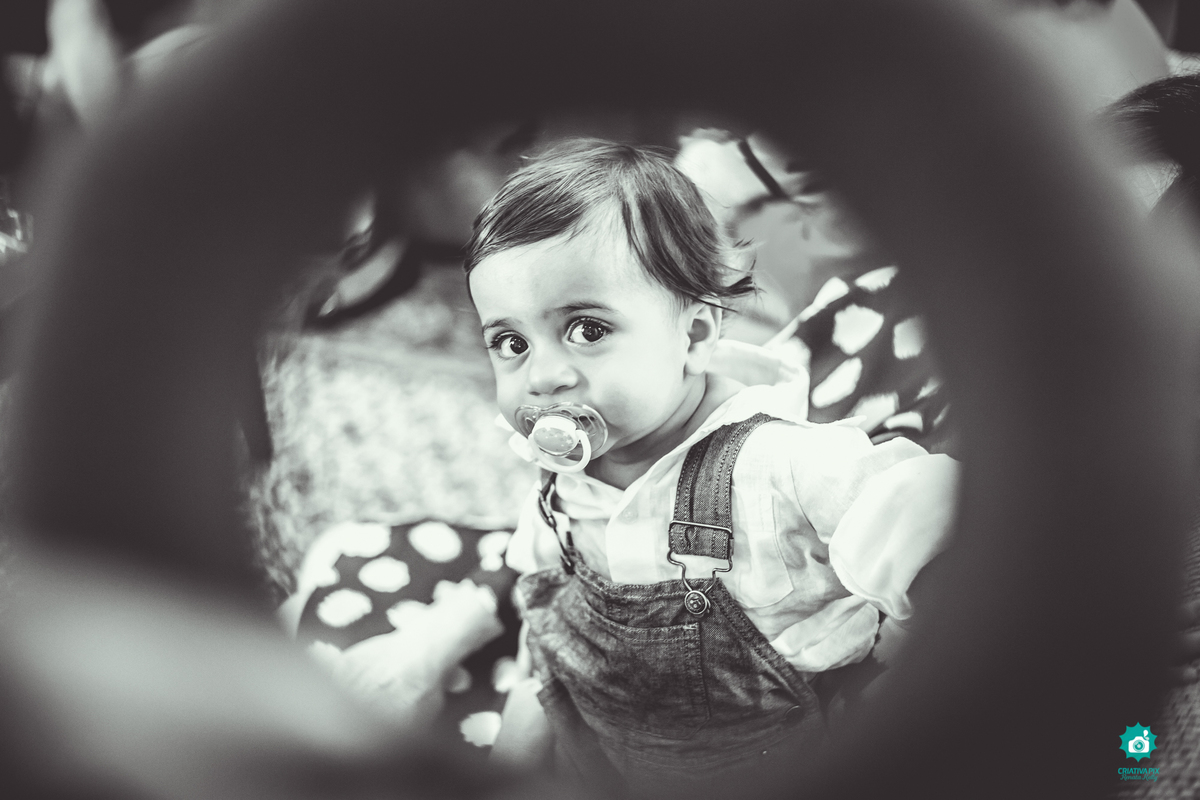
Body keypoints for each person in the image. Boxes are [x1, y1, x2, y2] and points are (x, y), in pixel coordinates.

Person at [462, 140, 960, 795]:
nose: (543, 377)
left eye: (587, 330)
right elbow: (544, 569)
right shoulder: (558, 456)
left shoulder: (779, 463)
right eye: (511, 342)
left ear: (694, 335)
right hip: (585, 721)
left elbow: (931, 520)